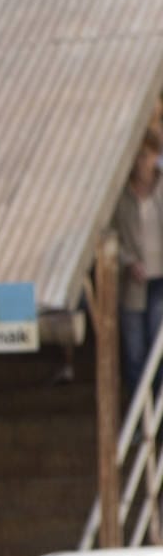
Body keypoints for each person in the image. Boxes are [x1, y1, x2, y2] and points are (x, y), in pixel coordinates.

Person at [115, 126, 163, 394]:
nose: (141, 162)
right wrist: (128, 261)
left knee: (158, 347)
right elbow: (110, 237)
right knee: (134, 352)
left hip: (160, 279)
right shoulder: (121, 195)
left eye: (146, 155)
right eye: (137, 156)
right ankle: (139, 411)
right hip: (133, 283)